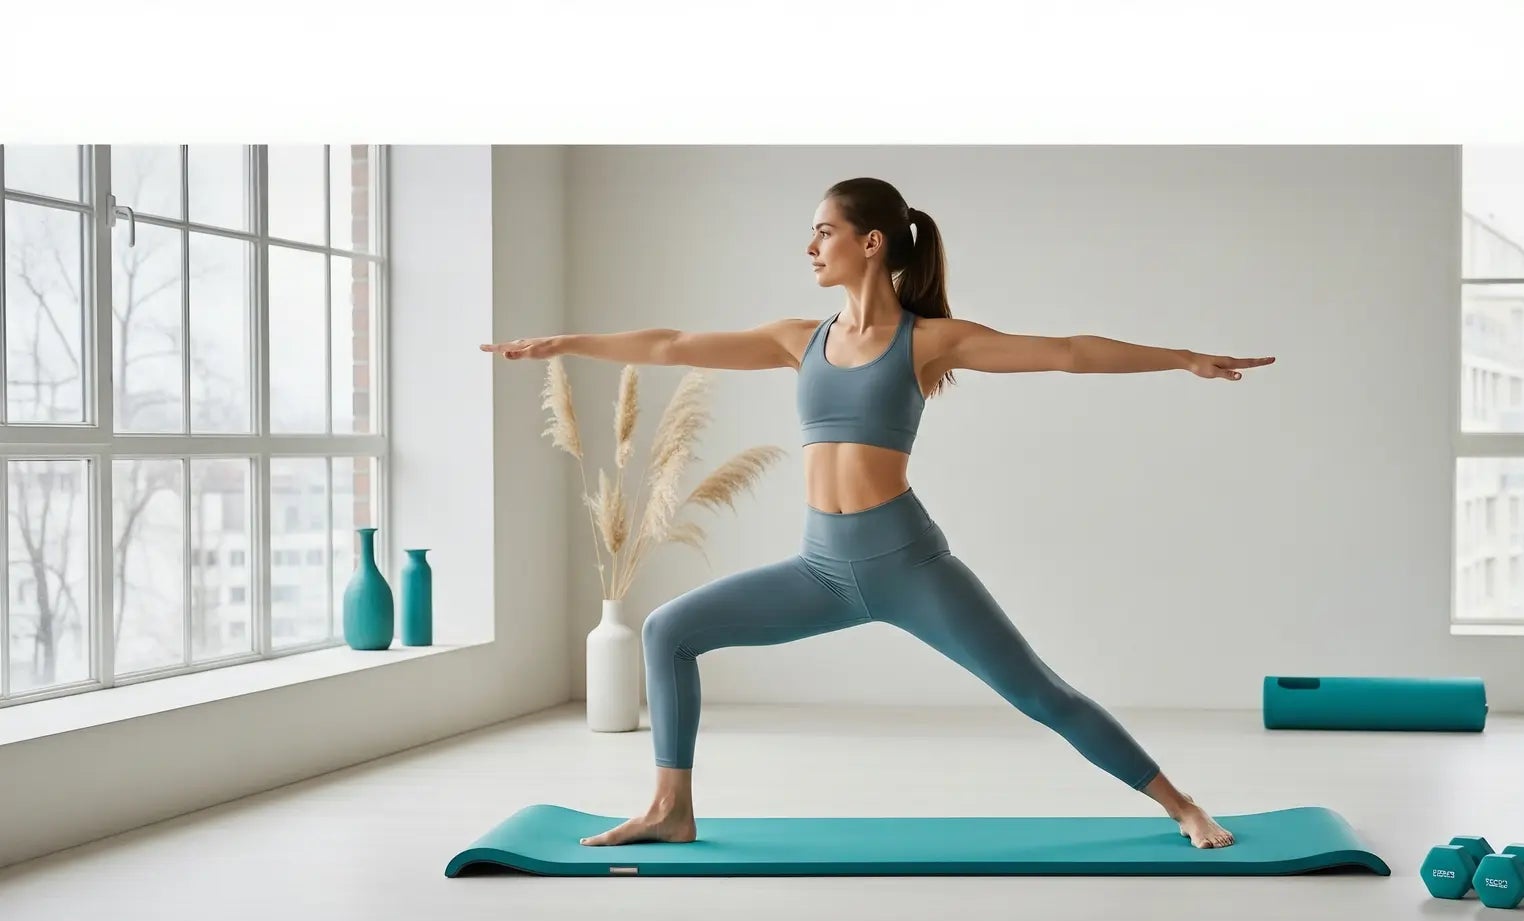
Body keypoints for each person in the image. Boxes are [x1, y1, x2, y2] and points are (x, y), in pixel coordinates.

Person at [482, 177, 1275, 850]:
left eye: (824, 231)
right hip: (819, 570)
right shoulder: (799, 339)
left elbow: (1067, 352)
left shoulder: (929, 341)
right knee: (667, 630)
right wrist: (567, 343)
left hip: (908, 565)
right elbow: (673, 344)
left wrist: (1183, 359)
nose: (810, 246)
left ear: (871, 243)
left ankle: (1182, 805)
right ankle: (670, 809)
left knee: (1042, 695)